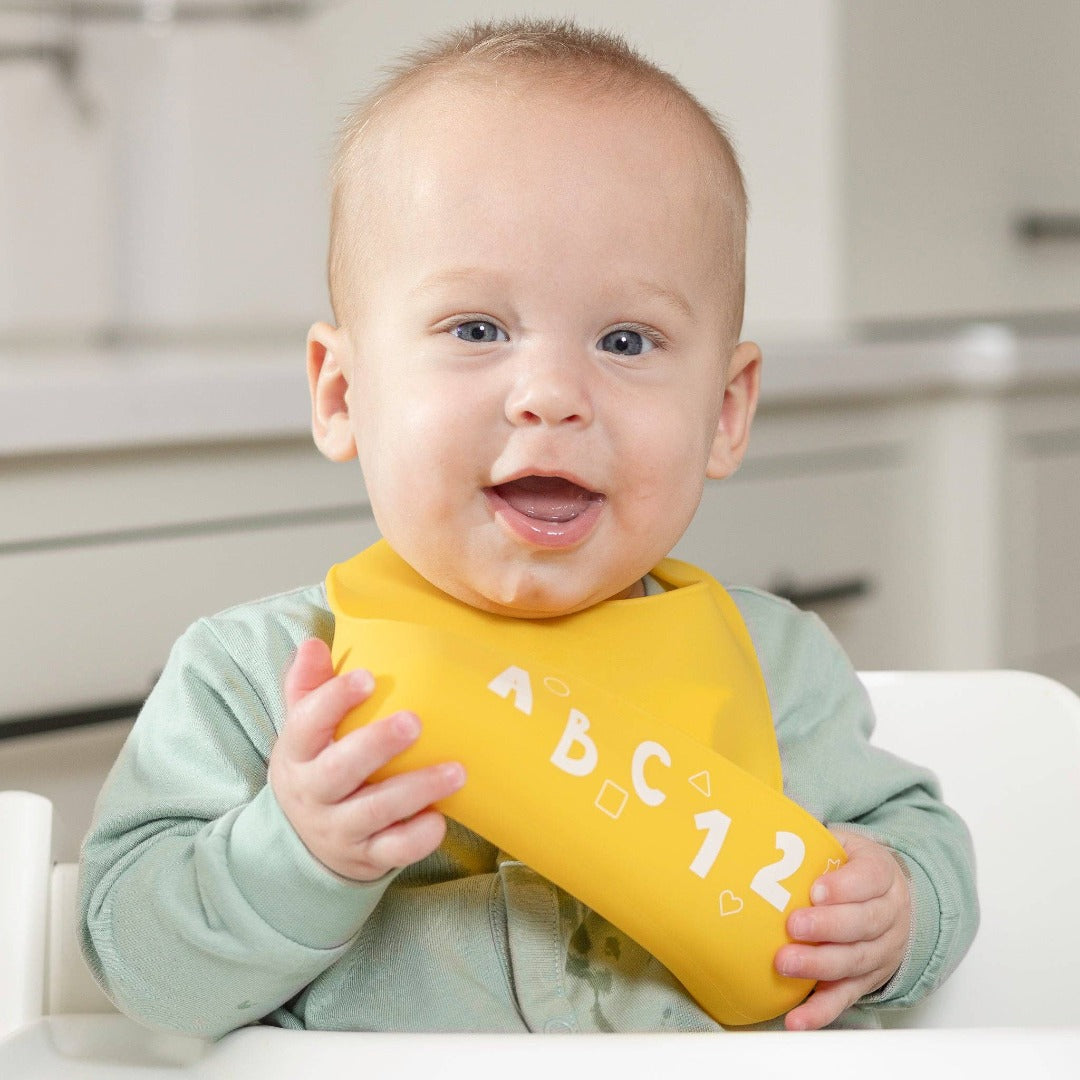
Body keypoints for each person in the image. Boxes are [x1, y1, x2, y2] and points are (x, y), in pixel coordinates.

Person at [79, 18, 977, 1037]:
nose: (551, 395)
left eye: (626, 339)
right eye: (475, 330)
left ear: (725, 412)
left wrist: (898, 911)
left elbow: (912, 838)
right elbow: (136, 974)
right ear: (341, 392)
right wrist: (296, 851)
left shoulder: (774, 669)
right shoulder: (262, 681)